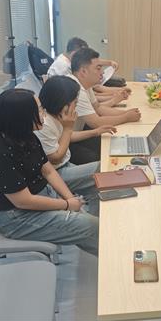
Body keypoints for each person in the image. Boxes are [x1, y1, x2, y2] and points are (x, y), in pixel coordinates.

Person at [0, 88, 99, 256]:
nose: (44, 115)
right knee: (91, 226)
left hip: (40, 197)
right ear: (22, 117)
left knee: (88, 224)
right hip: (17, 218)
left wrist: (69, 198)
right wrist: (67, 205)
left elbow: (48, 171)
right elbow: (23, 201)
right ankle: (118, 264)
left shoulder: (27, 136)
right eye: (39, 110)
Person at [35, 76, 117, 216]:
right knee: (102, 168)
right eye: (75, 102)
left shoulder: (56, 116)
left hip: (64, 165)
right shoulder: (45, 123)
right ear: (63, 104)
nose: (76, 106)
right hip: (55, 173)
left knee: (97, 184)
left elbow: (66, 137)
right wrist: (68, 127)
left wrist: (95, 132)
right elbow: (56, 158)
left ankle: (96, 217)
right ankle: (92, 219)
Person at [69, 47, 141, 164]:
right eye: (98, 68)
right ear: (83, 71)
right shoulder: (75, 89)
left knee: (115, 142)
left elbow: (98, 108)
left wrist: (127, 113)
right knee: (102, 156)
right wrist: (126, 117)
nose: (102, 72)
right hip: (67, 143)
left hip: (79, 132)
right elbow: (96, 122)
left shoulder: (85, 85)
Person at [47, 37, 130, 105]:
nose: (102, 72)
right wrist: (114, 97)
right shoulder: (64, 68)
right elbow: (93, 99)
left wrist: (116, 94)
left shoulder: (67, 60)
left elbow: (94, 96)